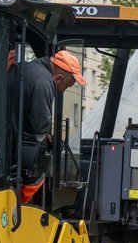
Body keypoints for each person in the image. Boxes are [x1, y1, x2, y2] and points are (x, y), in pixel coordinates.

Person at [9, 49, 86, 202]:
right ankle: (21, 205)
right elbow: (40, 124)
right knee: (38, 174)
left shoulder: (27, 67)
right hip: (15, 146)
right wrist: (46, 138)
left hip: (8, 136)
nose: (64, 90)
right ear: (58, 77)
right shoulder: (45, 82)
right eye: (66, 86)